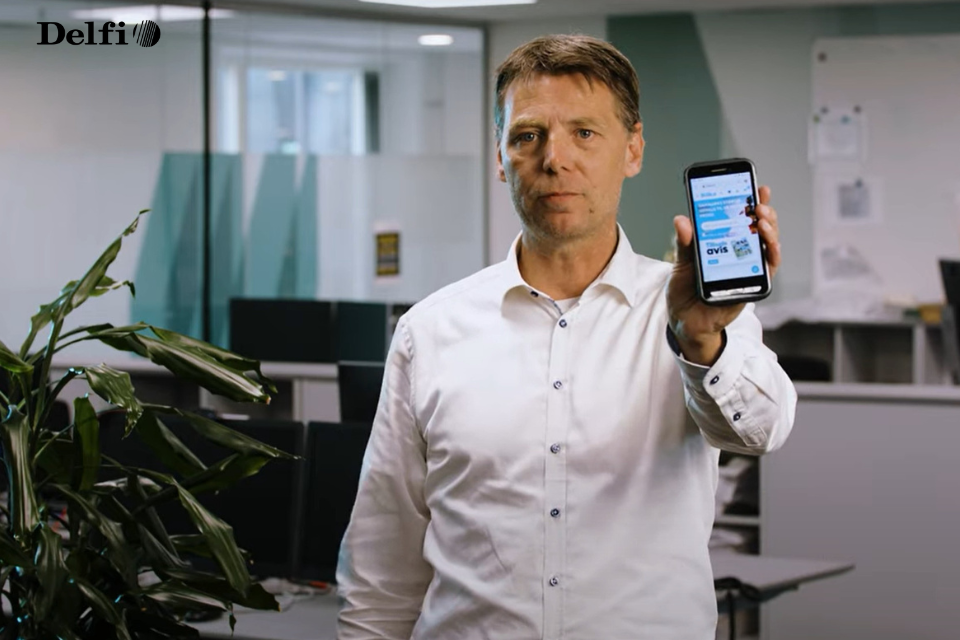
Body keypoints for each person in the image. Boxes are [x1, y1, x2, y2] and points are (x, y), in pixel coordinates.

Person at [336, 34, 796, 640]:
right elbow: (382, 563)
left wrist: (702, 342)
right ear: (500, 157)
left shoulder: (695, 314)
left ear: (632, 150)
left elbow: (760, 431)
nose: (555, 159)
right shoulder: (430, 331)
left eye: (584, 133)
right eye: (528, 136)